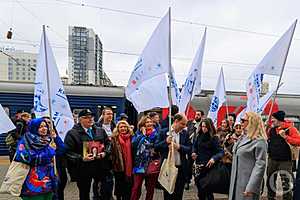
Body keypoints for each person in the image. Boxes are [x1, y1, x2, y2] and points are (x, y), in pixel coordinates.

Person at [64, 109, 111, 200]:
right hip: (83, 168)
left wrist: (105, 153)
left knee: (101, 190)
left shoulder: (100, 130)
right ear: (80, 119)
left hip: (100, 166)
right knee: (84, 192)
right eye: (86, 118)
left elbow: (108, 144)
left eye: (91, 117)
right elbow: (68, 152)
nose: (90, 119)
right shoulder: (72, 133)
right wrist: (81, 158)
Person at [14, 118, 65, 200]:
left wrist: (56, 138)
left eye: (45, 126)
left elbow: (62, 150)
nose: (44, 128)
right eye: (40, 127)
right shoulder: (25, 141)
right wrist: (51, 151)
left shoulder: (48, 139)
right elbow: (29, 158)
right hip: (32, 186)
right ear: (34, 127)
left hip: (48, 182)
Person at [229, 112, 267, 200]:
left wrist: (251, 187)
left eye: (243, 120)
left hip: (247, 184)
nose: (240, 123)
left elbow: (260, 166)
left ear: (251, 122)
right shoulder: (243, 137)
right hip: (236, 182)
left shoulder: (259, 141)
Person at [155, 113, 191, 200]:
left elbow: (189, 148)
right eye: (182, 124)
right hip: (168, 168)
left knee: (179, 194)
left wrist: (179, 147)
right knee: (168, 194)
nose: (184, 126)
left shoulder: (185, 134)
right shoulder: (164, 132)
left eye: (185, 124)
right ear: (176, 121)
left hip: (180, 168)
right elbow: (156, 147)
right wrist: (165, 142)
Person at [267, 110, 300, 200]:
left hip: (285, 161)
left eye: (273, 119)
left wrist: (285, 137)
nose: (272, 121)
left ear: (279, 119)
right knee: (270, 181)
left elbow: (298, 141)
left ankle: (288, 198)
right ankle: (270, 198)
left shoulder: (290, 129)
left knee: (286, 182)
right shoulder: (271, 129)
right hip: (272, 160)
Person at [192, 118, 224, 200]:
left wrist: (214, 158)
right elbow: (194, 147)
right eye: (202, 126)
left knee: (208, 191)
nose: (203, 128)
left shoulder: (214, 138)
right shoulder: (199, 136)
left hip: (209, 167)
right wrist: (194, 152)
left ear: (209, 127)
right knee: (200, 192)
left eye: (205, 127)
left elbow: (220, 152)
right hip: (199, 167)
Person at [131, 115, 161, 200]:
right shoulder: (138, 133)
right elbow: (133, 144)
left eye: (151, 122)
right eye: (147, 122)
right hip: (139, 165)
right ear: (143, 124)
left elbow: (157, 146)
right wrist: (143, 135)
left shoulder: (156, 134)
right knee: (136, 187)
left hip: (151, 164)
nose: (150, 123)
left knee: (150, 188)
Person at [94, 107, 115, 200]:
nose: (110, 116)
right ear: (103, 115)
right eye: (108, 114)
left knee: (110, 179)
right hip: (100, 157)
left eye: (111, 114)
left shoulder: (115, 126)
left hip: (112, 157)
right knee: (97, 179)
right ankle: (96, 196)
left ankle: (109, 195)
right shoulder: (96, 126)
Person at [111, 120, 133, 200]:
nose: (123, 128)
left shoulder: (131, 137)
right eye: (121, 127)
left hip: (129, 166)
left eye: (125, 127)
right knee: (119, 185)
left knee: (128, 185)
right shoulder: (114, 138)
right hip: (118, 166)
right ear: (118, 128)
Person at [185, 110, 204, 190]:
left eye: (198, 115)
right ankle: (187, 181)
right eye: (196, 114)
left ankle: (198, 180)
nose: (196, 116)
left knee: (199, 165)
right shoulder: (190, 123)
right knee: (189, 165)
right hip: (190, 146)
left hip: (199, 147)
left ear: (202, 116)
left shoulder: (203, 124)